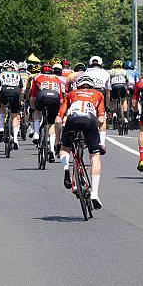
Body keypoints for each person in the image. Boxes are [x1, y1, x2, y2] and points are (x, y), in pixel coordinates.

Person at [58, 74, 106, 209]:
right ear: (92, 86)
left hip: (72, 119)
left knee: (65, 149)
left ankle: (66, 168)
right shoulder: (98, 94)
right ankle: (95, 194)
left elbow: (58, 119)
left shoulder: (71, 94)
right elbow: (102, 119)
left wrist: (58, 141)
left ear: (77, 86)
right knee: (94, 156)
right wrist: (99, 139)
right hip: (90, 120)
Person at [30, 63, 64, 162]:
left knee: (37, 111)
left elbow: (33, 96)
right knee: (51, 123)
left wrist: (32, 107)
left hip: (43, 95)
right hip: (55, 98)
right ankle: (52, 150)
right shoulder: (57, 78)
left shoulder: (37, 77)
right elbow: (61, 99)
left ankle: (36, 133)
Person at [82, 56, 111, 153]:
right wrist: (106, 106)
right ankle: (102, 143)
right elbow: (107, 93)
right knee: (102, 117)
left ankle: (85, 136)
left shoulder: (85, 72)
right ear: (101, 64)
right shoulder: (106, 73)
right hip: (100, 93)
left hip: (88, 93)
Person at [0, 61, 24, 148]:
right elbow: (22, 90)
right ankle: (15, 139)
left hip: (5, 90)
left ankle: (1, 128)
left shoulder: (0, 74)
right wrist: (21, 101)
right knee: (14, 115)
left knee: (2, 107)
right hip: (16, 92)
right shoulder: (18, 74)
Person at [108, 60, 129, 127]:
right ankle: (125, 117)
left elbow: (109, 79)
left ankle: (114, 113)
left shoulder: (111, 71)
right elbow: (127, 80)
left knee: (114, 100)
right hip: (122, 86)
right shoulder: (124, 71)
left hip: (114, 86)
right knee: (124, 100)